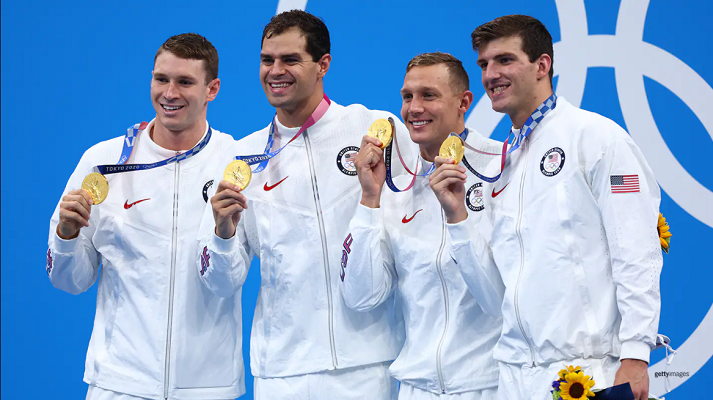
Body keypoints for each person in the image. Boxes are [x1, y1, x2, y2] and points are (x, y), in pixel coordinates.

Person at [430, 15, 662, 400]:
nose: (490, 74)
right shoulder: (500, 166)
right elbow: (494, 298)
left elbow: (636, 252)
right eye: (484, 64)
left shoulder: (596, 138)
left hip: (587, 374)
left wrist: (637, 353)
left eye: (504, 60)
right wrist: (458, 219)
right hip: (515, 378)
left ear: (542, 65)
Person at [196, 10, 417, 400]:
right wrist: (223, 233)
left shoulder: (375, 129)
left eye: (290, 60)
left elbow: (419, 225)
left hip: (367, 363)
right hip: (283, 372)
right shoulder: (241, 157)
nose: (275, 70)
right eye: (267, 60)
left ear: (323, 65)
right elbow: (219, 282)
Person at [47, 33, 244, 400]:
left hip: (207, 387)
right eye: (161, 79)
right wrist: (66, 235)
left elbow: (227, 283)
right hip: (120, 384)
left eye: (184, 82)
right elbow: (69, 281)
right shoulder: (102, 163)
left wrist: (223, 234)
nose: (169, 93)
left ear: (212, 89)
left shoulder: (235, 162)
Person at [341, 52, 503, 400]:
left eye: (428, 95)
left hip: (490, 386)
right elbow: (361, 296)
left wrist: (458, 217)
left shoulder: (502, 170)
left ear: (464, 102)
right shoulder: (396, 188)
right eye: (407, 96)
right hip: (417, 388)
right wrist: (370, 198)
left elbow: (499, 301)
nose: (414, 108)